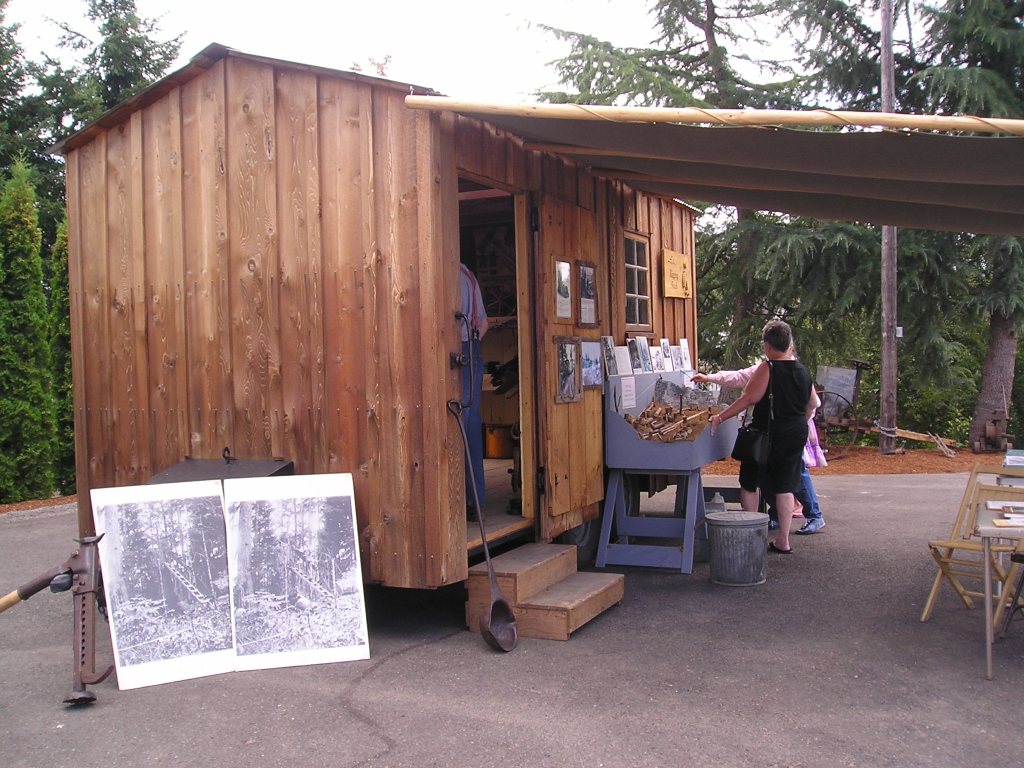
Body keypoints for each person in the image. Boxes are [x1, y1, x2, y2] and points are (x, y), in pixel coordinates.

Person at [708, 321, 819, 553]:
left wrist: (720, 417)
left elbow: (749, 398)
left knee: (750, 482)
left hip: (766, 434)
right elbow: (813, 404)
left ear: (767, 346)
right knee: (785, 486)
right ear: (789, 343)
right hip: (795, 433)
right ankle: (783, 541)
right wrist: (799, 421)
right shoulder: (802, 370)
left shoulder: (768, 368)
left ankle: (753, 535)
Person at [694, 359, 827, 535]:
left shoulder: (794, 370)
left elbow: (749, 397)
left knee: (794, 476)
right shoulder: (769, 368)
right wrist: (709, 378)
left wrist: (799, 423)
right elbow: (739, 377)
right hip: (776, 433)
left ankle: (813, 515)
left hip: (786, 433)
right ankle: (777, 521)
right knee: (773, 478)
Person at [459, 264, 489, 520]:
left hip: (456, 351)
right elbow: (484, 324)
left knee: (456, 426)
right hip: (473, 349)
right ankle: (476, 502)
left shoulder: (447, 276)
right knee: (471, 426)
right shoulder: (469, 276)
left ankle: (454, 500)